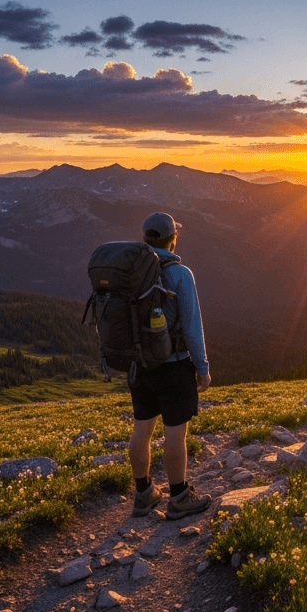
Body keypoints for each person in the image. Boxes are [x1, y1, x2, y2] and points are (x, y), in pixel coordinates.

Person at [128, 211, 213, 520]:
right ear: (173, 238)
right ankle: (178, 497)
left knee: (142, 429)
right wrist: (202, 368)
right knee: (175, 434)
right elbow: (192, 327)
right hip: (173, 366)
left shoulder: (131, 270)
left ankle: (143, 494)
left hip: (139, 366)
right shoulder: (180, 274)